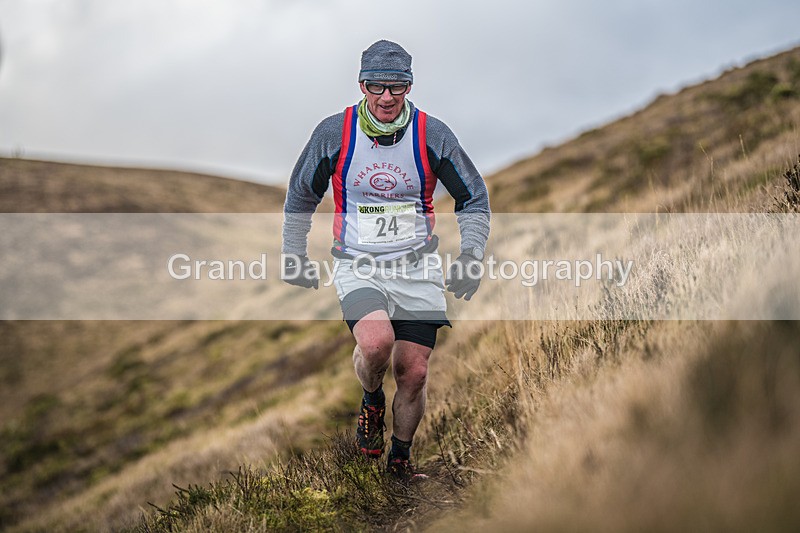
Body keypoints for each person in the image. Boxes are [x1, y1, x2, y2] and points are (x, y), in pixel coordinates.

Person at [281, 40, 490, 479]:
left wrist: (471, 253)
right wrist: (293, 254)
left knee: (413, 371)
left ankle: (399, 460)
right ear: (362, 86)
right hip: (357, 263)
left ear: (409, 87)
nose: (388, 97)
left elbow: (473, 196)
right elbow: (301, 195)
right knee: (375, 345)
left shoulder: (433, 135)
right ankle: (372, 398)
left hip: (417, 266)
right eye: (377, 86)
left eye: (398, 86)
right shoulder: (332, 134)